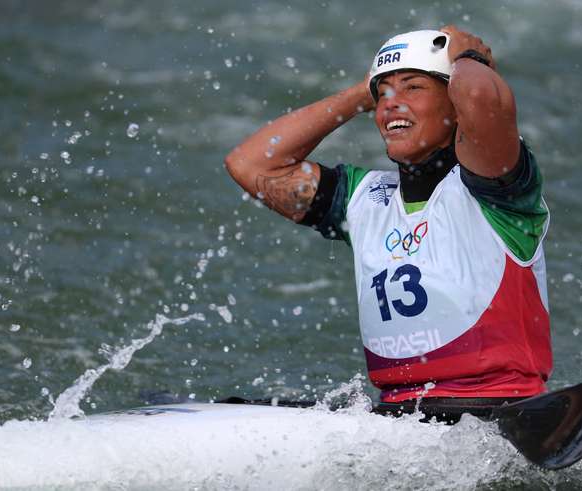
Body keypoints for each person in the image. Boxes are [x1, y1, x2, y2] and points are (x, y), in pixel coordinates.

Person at [225, 26, 552, 408]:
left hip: (500, 405)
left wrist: (468, 59)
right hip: (399, 415)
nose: (391, 104)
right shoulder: (363, 198)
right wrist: (362, 92)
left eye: (413, 87)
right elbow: (250, 163)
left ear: (454, 104)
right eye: (383, 95)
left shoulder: (497, 187)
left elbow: (481, 97)